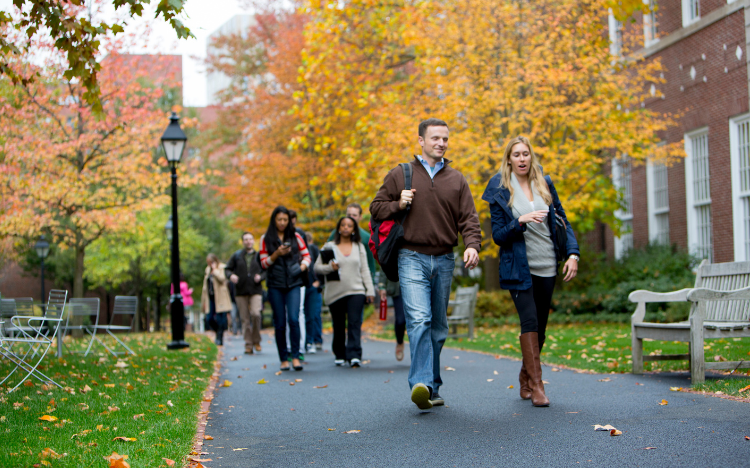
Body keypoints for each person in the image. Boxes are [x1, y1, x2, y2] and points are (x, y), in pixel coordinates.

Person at [370, 118, 482, 409]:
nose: (441, 143)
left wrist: (472, 245)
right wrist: (398, 204)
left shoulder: (456, 179)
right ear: (421, 140)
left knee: (438, 327)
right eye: (435, 138)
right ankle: (420, 383)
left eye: (445, 139)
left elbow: (469, 218)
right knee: (419, 319)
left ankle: (432, 386)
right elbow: (376, 208)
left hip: (445, 258)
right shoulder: (401, 174)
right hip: (411, 256)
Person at [481, 135, 579, 407]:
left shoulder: (544, 183)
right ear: (509, 159)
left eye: (526, 154)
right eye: (516, 154)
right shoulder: (499, 188)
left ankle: (525, 376)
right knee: (530, 323)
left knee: (542, 331)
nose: (522, 159)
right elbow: (498, 236)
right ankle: (537, 386)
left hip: (547, 264)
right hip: (518, 269)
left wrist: (572, 253)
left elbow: (562, 220)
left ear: (530, 157)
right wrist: (520, 221)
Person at [314, 216, 375, 367]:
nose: (346, 227)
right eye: (343, 225)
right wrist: (330, 268)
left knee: (354, 322)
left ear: (354, 229)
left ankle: (354, 354)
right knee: (339, 324)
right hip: (335, 292)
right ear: (339, 228)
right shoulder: (329, 246)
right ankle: (339, 354)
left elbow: (365, 269)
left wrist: (370, 290)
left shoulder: (359, 246)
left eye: (349, 225)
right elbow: (317, 267)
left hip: (356, 290)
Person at [259, 206, 311, 371]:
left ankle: (295, 357)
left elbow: (307, 256)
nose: (282, 223)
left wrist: (301, 267)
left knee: (294, 320)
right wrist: (276, 254)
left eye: (285, 220)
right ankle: (283, 358)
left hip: (294, 283)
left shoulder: (296, 236)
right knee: (280, 323)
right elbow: (263, 262)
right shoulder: (265, 239)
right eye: (279, 219)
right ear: (274, 220)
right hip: (275, 284)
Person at [226, 232, 266, 355]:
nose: (248, 241)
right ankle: (248, 344)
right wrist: (231, 276)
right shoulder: (237, 256)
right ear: (243, 242)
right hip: (241, 291)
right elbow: (227, 269)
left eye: (250, 239)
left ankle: (256, 340)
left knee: (255, 314)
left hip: (255, 290)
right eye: (245, 239)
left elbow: (266, 270)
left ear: (253, 241)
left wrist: (261, 277)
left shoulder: (259, 255)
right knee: (245, 319)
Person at [327, 203, 376, 282]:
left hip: (358, 280)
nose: (351, 217)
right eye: (349, 214)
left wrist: (371, 283)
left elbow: (370, 262)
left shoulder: (366, 237)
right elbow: (326, 254)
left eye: (354, 215)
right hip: (338, 278)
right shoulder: (336, 233)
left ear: (360, 217)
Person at [200, 254, 232, 346]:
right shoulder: (207, 270)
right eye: (208, 262)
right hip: (211, 298)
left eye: (211, 262)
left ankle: (220, 338)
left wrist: (216, 271)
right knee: (209, 318)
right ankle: (218, 332)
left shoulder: (222, 267)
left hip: (221, 298)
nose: (209, 264)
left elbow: (223, 280)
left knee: (220, 319)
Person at [304, 232, 323, 353]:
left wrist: (319, 282)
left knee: (314, 315)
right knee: (307, 315)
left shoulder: (314, 249)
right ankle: (308, 341)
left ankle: (316, 340)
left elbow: (320, 266)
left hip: (313, 287)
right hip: (303, 286)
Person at [378, 278, 405, 361]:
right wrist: (382, 286)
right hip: (398, 287)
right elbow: (385, 265)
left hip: (416, 285)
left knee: (416, 320)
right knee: (400, 320)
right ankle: (400, 343)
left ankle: (417, 351)